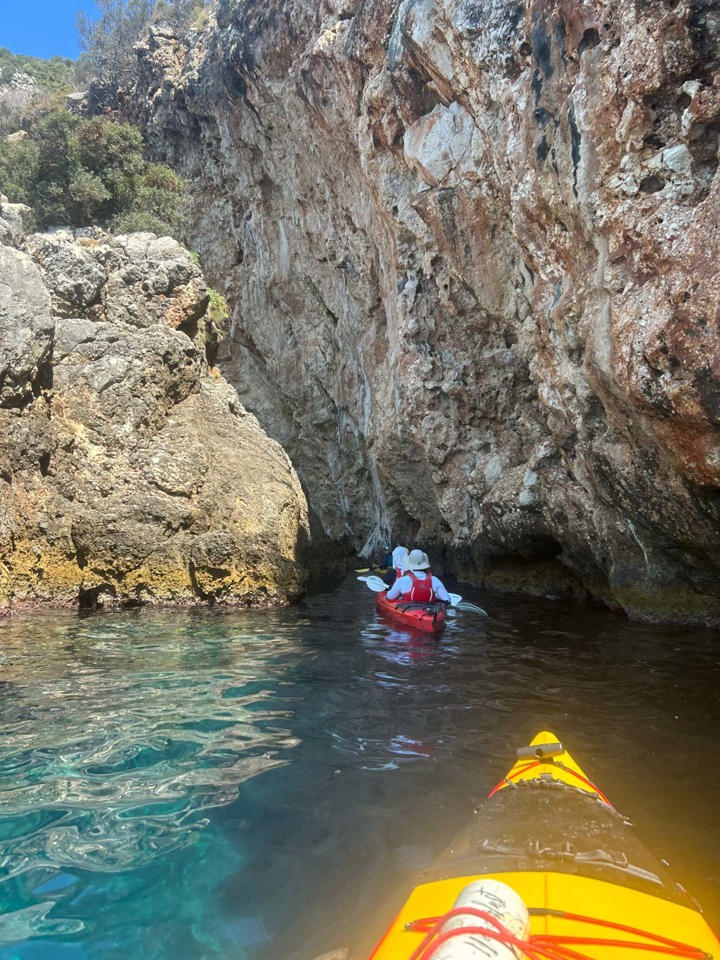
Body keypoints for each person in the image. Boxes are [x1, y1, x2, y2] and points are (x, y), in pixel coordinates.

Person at [386, 549, 451, 604]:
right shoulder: (435, 580)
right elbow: (447, 599)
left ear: (409, 563)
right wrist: (435, 596)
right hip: (430, 611)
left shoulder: (402, 580)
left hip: (409, 611)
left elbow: (390, 597)